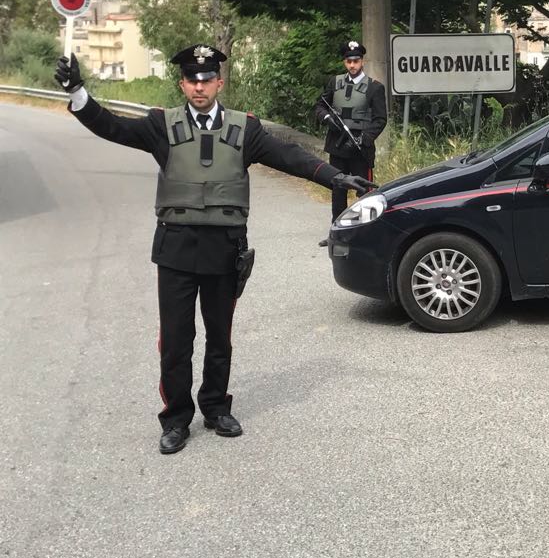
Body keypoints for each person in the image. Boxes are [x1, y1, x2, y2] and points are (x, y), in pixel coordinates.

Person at [54, 45, 375, 455]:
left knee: (219, 336)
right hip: (175, 249)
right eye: (192, 80)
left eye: (207, 79)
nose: (199, 86)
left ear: (219, 82)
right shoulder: (160, 126)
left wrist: (335, 176)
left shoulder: (245, 129)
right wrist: (79, 93)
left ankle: (215, 407)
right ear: (182, 83)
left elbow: (290, 156)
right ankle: (175, 419)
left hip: (224, 248)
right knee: (175, 341)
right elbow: (112, 127)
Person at [315, 40, 387, 226]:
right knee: (338, 189)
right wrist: (326, 119)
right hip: (337, 145)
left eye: (356, 61)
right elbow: (320, 106)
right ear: (344, 62)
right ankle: (337, 229)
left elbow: (380, 119)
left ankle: (366, 230)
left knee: (365, 192)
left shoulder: (374, 87)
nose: (352, 65)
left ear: (362, 61)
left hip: (360, 148)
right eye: (349, 61)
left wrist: (364, 138)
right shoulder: (334, 82)